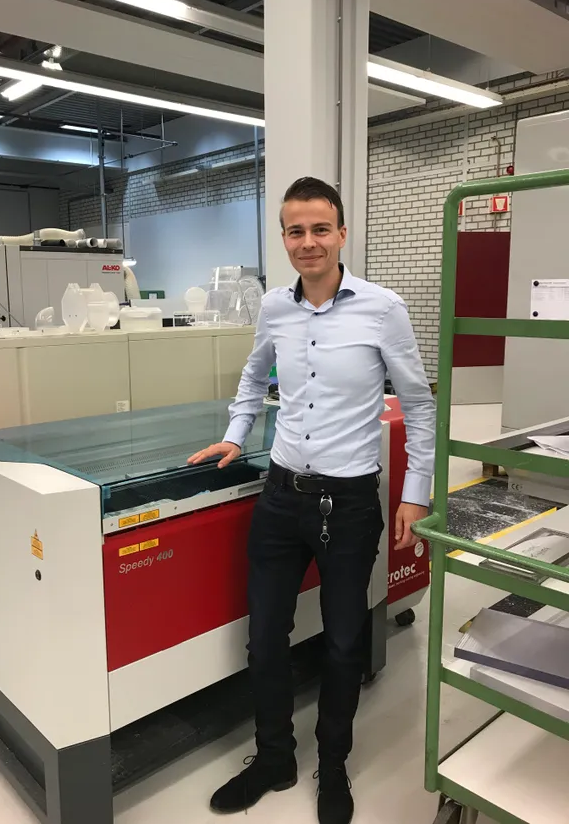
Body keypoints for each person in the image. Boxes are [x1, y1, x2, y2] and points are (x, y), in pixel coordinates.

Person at [188, 177, 435, 824]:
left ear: (342, 233)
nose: (308, 242)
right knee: (265, 638)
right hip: (280, 496)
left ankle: (333, 763)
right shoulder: (274, 307)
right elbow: (252, 373)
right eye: (295, 231)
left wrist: (416, 492)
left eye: (320, 228)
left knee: (345, 642)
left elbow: (418, 403)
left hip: (350, 503)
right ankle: (275, 757)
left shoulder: (383, 308)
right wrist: (235, 434)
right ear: (284, 238)